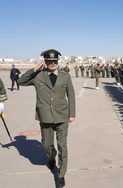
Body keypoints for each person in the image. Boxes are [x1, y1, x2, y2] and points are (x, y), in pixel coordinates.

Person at [17, 49, 76, 188]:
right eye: (49, 61)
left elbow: (71, 96)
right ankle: (51, 157)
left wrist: (72, 113)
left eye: (54, 61)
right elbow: (20, 81)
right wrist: (34, 69)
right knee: (46, 145)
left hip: (62, 116)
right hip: (45, 117)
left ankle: (61, 175)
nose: (52, 63)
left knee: (63, 146)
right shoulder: (38, 76)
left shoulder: (65, 76)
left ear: (58, 61)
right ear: (45, 61)